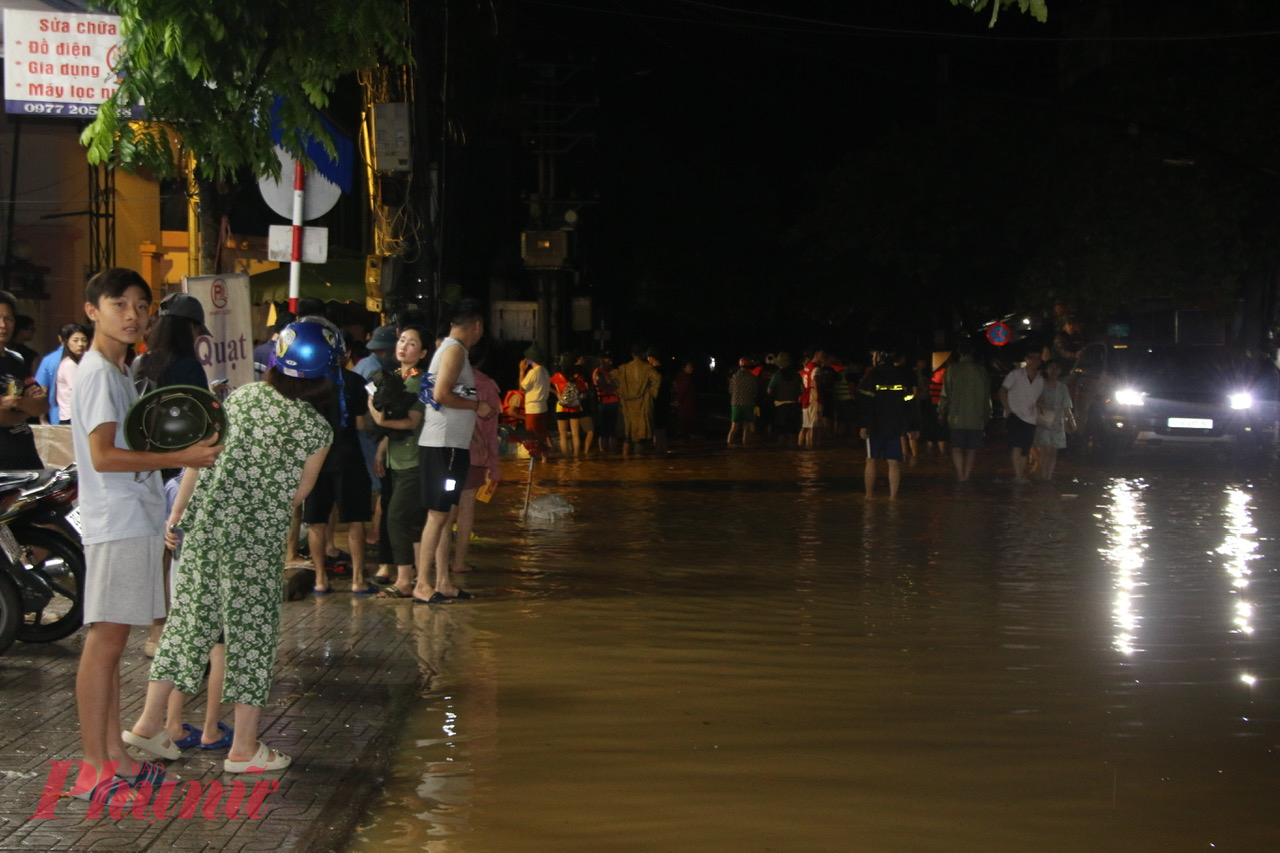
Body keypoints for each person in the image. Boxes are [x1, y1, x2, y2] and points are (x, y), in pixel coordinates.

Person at [127, 320, 334, 775]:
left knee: (187, 625)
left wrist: (177, 515)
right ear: (324, 375)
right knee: (250, 638)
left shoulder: (238, 398)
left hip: (203, 529)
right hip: (254, 545)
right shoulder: (317, 431)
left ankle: (147, 724)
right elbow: (299, 494)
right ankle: (242, 748)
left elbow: (198, 461)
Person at [71, 268, 222, 803]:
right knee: (104, 644)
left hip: (131, 518)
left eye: (141, 305)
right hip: (115, 521)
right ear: (93, 311)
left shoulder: (119, 371)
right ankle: (95, 764)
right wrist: (182, 457)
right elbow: (104, 457)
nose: (133, 315)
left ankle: (113, 752)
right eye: (119, 304)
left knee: (113, 647)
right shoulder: (96, 374)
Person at [413, 300, 496, 604]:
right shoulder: (454, 351)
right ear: (476, 327)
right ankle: (423, 584)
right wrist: (479, 406)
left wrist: (474, 433)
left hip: (452, 445)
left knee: (445, 513)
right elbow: (441, 394)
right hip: (442, 446)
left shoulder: (452, 350)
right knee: (437, 514)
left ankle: (443, 581)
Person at [369, 324, 430, 598]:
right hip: (397, 459)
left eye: (412, 343)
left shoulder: (420, 381)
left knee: (395, 517)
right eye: (402, 340)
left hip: (414, 460)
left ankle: (405, 579)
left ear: (423, 352)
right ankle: (418, 577)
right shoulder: (391, 376)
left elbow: (412, 421)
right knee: (413, 520)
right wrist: (382, 449)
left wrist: (380, 416)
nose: (404, 346)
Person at [857, 349, 921, 499]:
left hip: (875, 425)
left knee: (871, 460)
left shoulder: (872, 375)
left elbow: (864, 401)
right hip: (895, 424)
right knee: (893, 462)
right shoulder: (901, 375)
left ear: (879, 358)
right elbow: (910, 401)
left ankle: (869, 496)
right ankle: (893, 498)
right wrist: (913, 426)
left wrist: (863, 424)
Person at [0, 290, 49, 468]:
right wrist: (26, 411)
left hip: (27, 457)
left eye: (9, 319)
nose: (3, 325)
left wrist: (16, 402)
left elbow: (42, 404)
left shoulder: (17, 360)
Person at [937, 338, 991, 483]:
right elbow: (987, 397)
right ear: (972, 351)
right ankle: (966, 475)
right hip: (976, 417)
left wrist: (941, 411)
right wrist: (987, 414)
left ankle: (960, 473)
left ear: (959, 352)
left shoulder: (952, 370)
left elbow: (945, 394)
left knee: (956, 447)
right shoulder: (981, 371)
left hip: (956, 417)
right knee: (972, 449)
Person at [998, 350, 1044, 484]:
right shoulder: (1016, 374)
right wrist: (1008, 409)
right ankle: (1018, 474)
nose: (1034, 361)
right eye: (1032, 358)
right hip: (1016, 414)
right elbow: (1002, 390)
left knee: (1025, 447)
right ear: (1026, 359)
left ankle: (1020, 474)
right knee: (1016, 446)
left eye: (1037, 358)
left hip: (1031, 416)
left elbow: (1038, 396)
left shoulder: (1040, 379)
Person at [1032, 359, 1074, 482]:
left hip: (1057, 422)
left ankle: (1048, 476)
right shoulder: (1040, 384)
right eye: (1051, 367)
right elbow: (1032, 400)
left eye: (1057, 368)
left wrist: (1071, 421)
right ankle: (1042, 475)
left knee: (1053, 451)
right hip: (1044, 421)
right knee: (1046, 450)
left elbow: (1067, 406)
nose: (1054, 371)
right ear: (1046, 369)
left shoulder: (1062, 387)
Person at [614, 344, 660, 456]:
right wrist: (651, 393)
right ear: (643, 354)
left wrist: (620, 393)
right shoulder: (647, 368)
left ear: (632, 354)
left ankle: (626, 464)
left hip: (627, 406)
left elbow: (613, 379)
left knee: (627, 437)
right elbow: (657, 378)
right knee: (640, 437)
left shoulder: (623, 368)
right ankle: (639, 465)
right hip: (642, 405)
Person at [551, 352, 589, 456]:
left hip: (561, 406)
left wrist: (558, 394)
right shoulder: (579, 377)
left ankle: (565, 458)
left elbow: (550, 387)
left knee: (563, 435)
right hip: (575, 407)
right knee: (575, 434)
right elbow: (584, 391)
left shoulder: (556, 376)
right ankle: (576, 457)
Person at [35, 324, 71, 425]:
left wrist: (42, 419)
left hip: (56, 417)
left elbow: (41, 391)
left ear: (60, 338)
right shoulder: (86, 359)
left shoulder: (49, 360)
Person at [54, 325, 90, 424]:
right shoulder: (69, 365)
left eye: (84, 340)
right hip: (72, 417)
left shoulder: (81, 362)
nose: (81, 344)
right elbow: (80, 391)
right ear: (67, 342)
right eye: (75, 340)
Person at [519, 346, 552, 455]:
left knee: (531, 438)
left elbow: (521, 388)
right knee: (541, 436)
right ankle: (544, 459)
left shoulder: (533, 373)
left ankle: (534, 464)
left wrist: (521, 371)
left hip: (533, 409)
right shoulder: (545, 371)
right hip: (543, 407)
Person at [767, 351, 802, 445]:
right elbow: (802, 390)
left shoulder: (777, 375)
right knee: (793, 433)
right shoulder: (797, 375)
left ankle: (782, 456)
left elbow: (769, 390)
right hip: (794, 406)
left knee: (781, 433)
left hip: (781, 407)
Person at [592, 354, 620, 454]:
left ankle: (610, 452)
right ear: (602, 360)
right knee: (604, 429)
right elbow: (605, 386)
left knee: (612, 429)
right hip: (605, 403)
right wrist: (614, 385)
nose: (611, 361)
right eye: (608, 359)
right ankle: (604, 451)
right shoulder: (599, 372)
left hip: (612, 403)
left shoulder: (607, 372)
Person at [726, 357, 757, 446]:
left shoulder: (734, 377)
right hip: (748, 404)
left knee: (734, 428)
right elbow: (755, 391)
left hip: (736, 404)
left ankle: (729, 445)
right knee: (746, 428)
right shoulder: (752, 378)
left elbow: (730, 390)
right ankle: (745, 446)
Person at [673, 359, 697, 440]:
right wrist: (678, 401)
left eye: (692, 367)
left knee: (685, 421)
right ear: (684, 368)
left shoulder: (687, 377)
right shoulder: (684, 378)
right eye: (689, 367)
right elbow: (682, 390)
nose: (691, 369)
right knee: (685, 421)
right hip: (685, 403)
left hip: (687, 402)